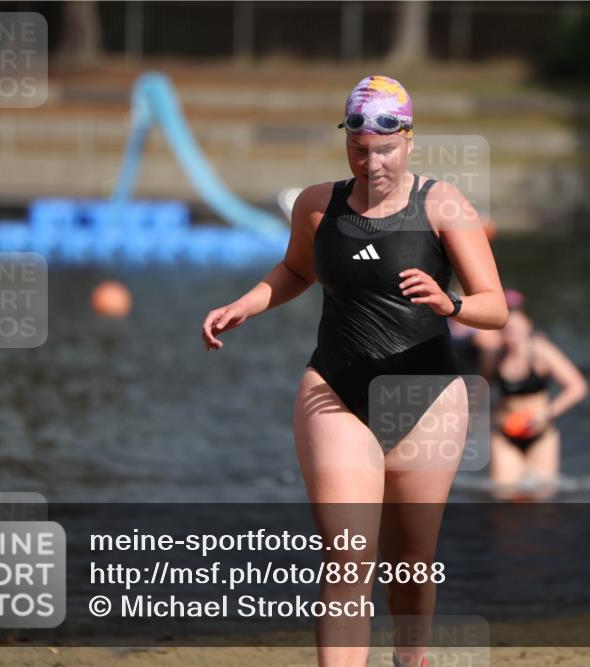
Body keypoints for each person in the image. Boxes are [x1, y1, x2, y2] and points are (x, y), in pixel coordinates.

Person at [201, 75, 507, 667]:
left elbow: (494, 304)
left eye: (385, 150)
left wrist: (452, 305)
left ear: (409, 141)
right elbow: (294, 271)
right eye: (359, 149)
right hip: (333, 392)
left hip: (426, 398)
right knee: (346, 555)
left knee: (410, 563)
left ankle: (409, 655)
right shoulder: (318, 205)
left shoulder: (442, 205)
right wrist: (247, 302)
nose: (372, 162)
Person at [480, 289, 588, 500]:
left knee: (541, 497)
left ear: (527, 325)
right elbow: (480, 387)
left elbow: (578, 387)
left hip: (540, 432)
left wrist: (547, 414)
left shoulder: (541, 351)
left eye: (515, 329)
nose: (511, 337)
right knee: (504, 495)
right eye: (505, 331)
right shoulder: (494, 354)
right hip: (504, 434)